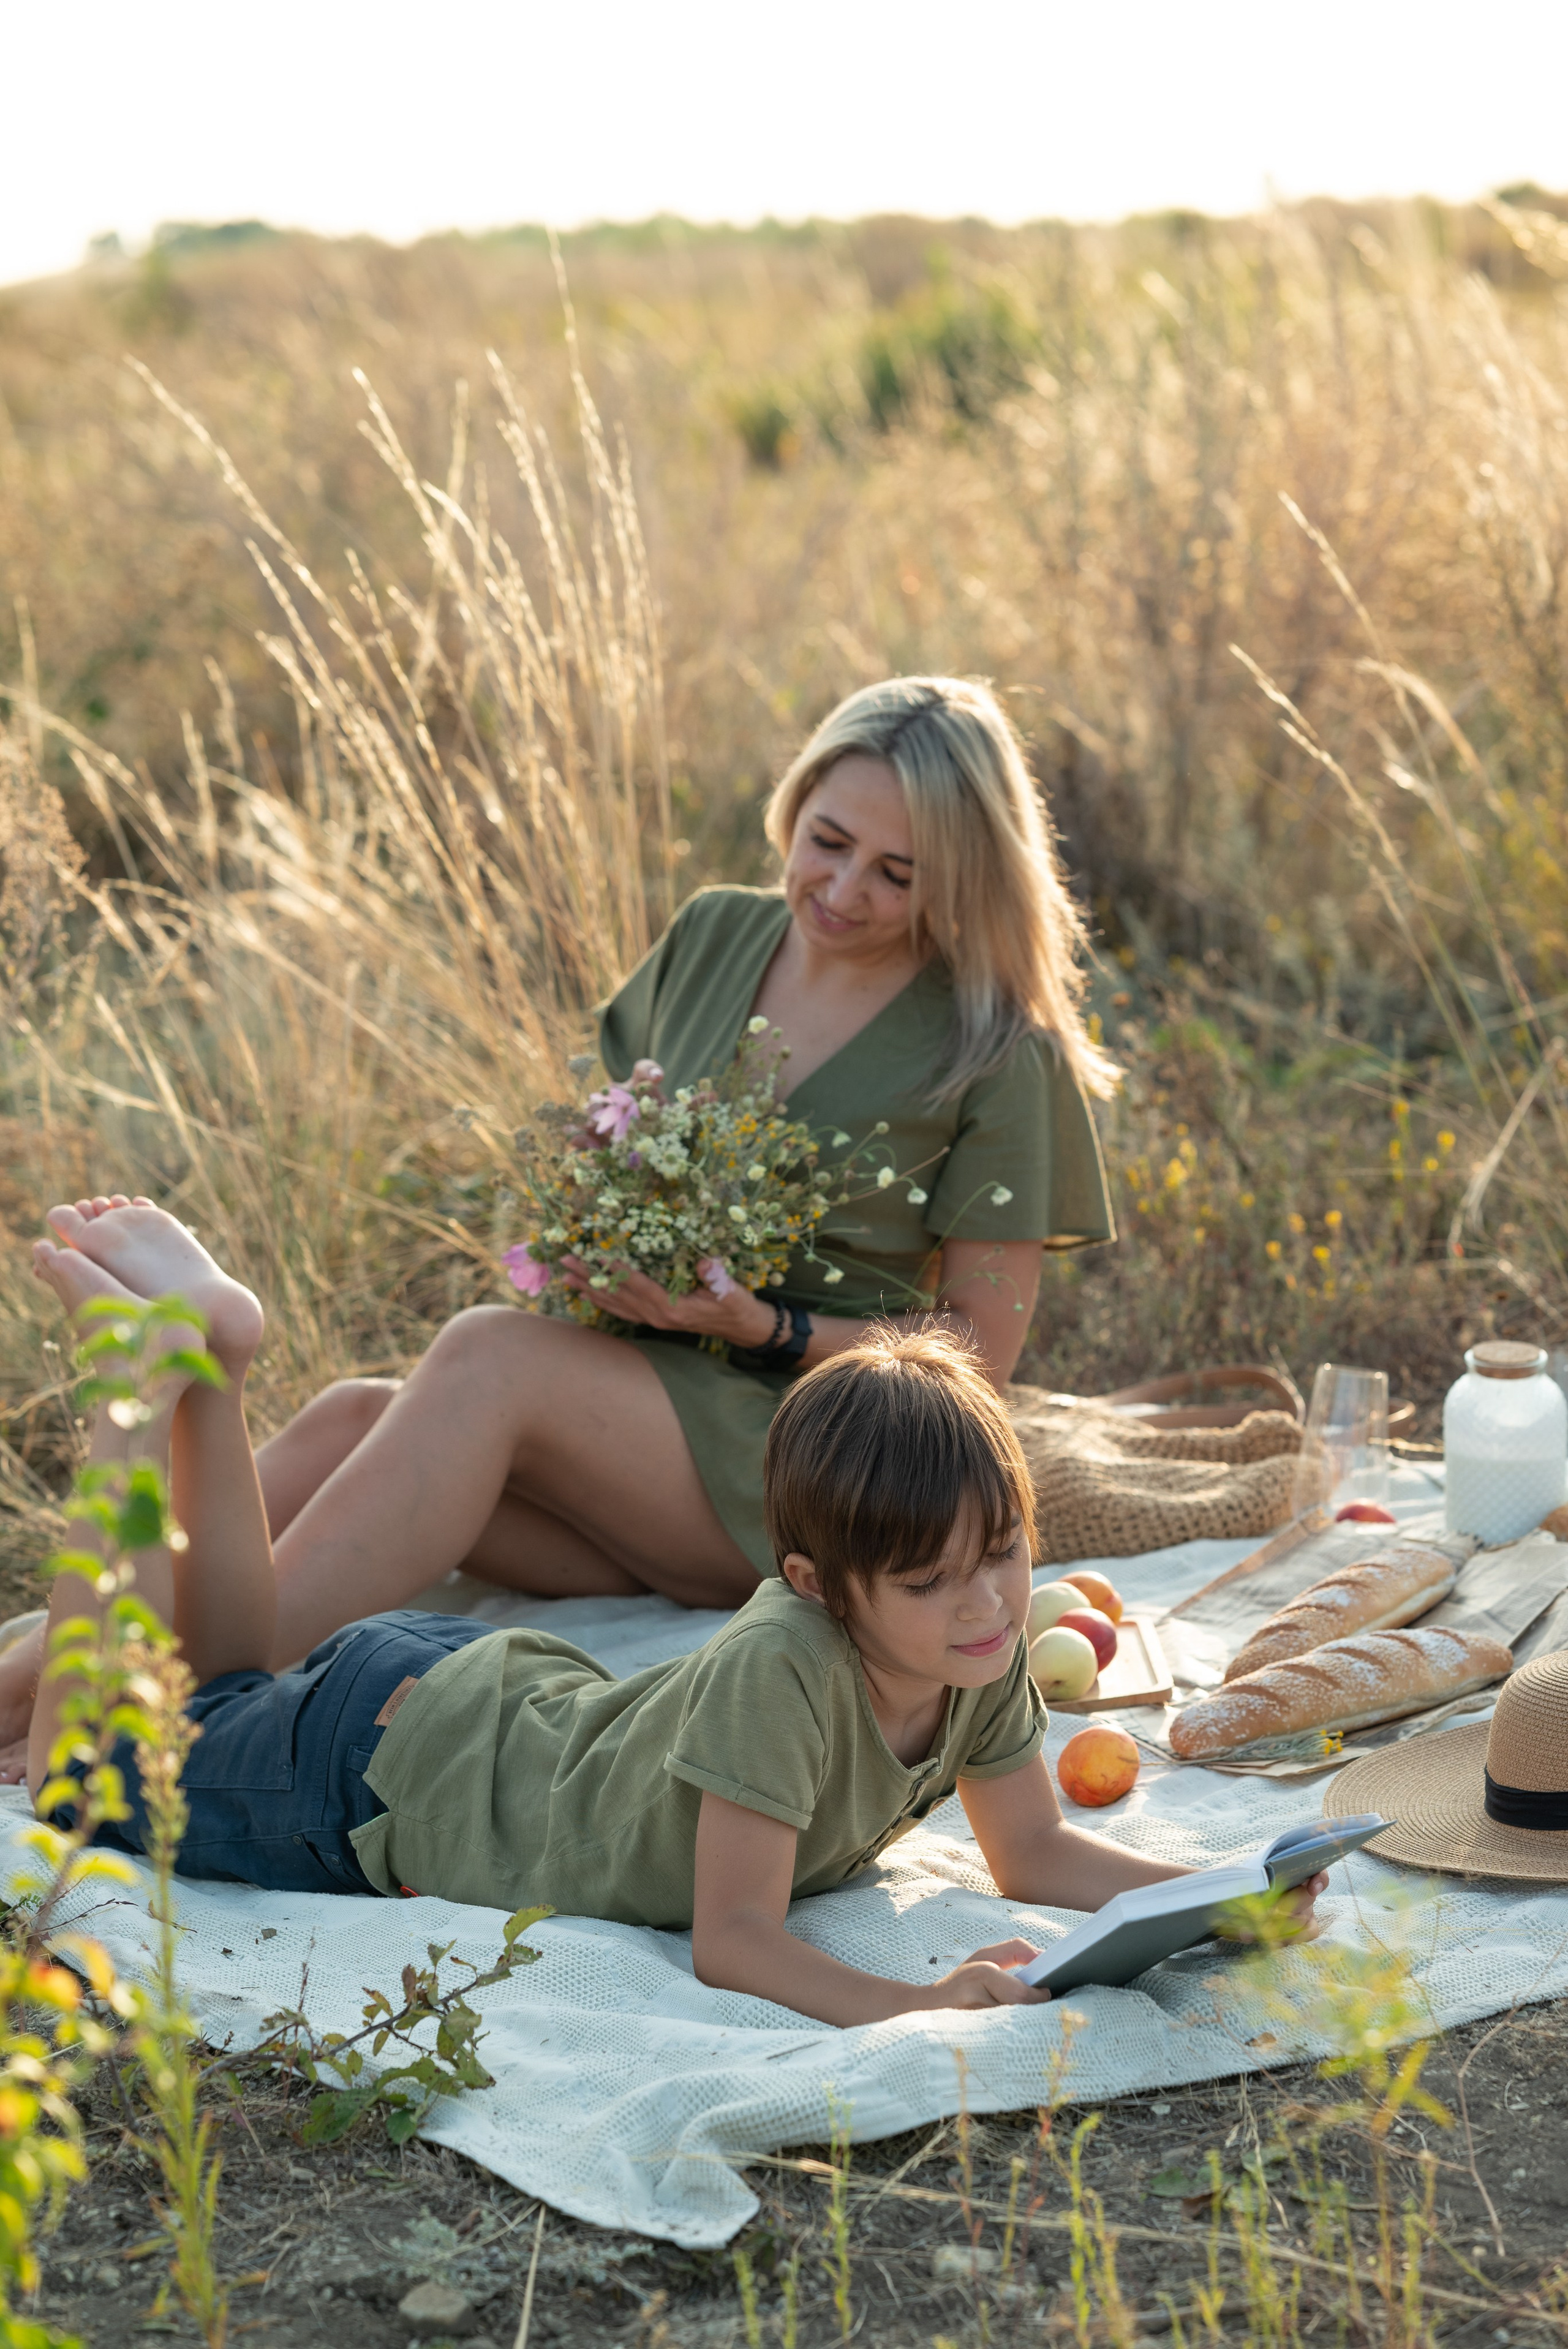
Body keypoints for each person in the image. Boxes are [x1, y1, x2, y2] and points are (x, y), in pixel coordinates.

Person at [0, 674, 1118, 1777]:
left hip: (818, 1460)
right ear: (796, 803)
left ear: (962, 877)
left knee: (489, 1360)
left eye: (896, 873)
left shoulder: (995, 1045)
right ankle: (38, 1682)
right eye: (826, 840)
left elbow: (981, 1363)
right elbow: (625, 1132)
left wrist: (760, 1325)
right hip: (635, 1418)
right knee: (351, 1419)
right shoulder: (720, 935)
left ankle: (169, 1713)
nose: (841, 888)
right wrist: (595, 1223)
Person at [26, 1202, 1325, 2023]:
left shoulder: (973, 1646)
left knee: (228, 1681)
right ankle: (138, 1390)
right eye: (927, 1581)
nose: (986, 1604)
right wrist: (920, 2002)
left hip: (480, 1707)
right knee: (91, 1772)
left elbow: (1031, 1852)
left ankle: (212, 1364)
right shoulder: (784, 1665)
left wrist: (1219, 1890)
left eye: (1001, 1553)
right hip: (392, 1780)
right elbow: (735, 1940)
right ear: (815, 1583)